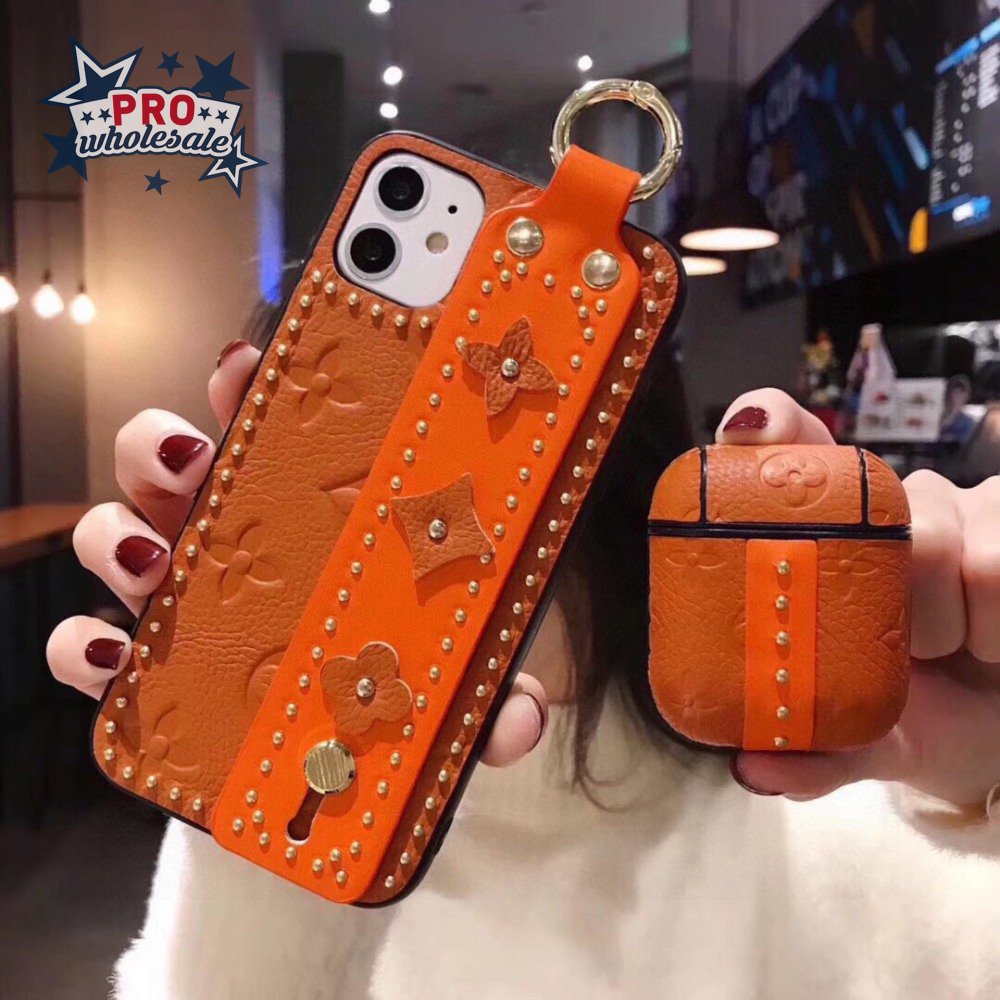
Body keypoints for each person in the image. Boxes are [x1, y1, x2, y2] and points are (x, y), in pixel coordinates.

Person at [47, 343, 1000, 998]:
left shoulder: (839, 807)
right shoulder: (277, 807)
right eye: (347, 479)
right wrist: (281, 851)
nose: (389, 546)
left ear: (610, 497)